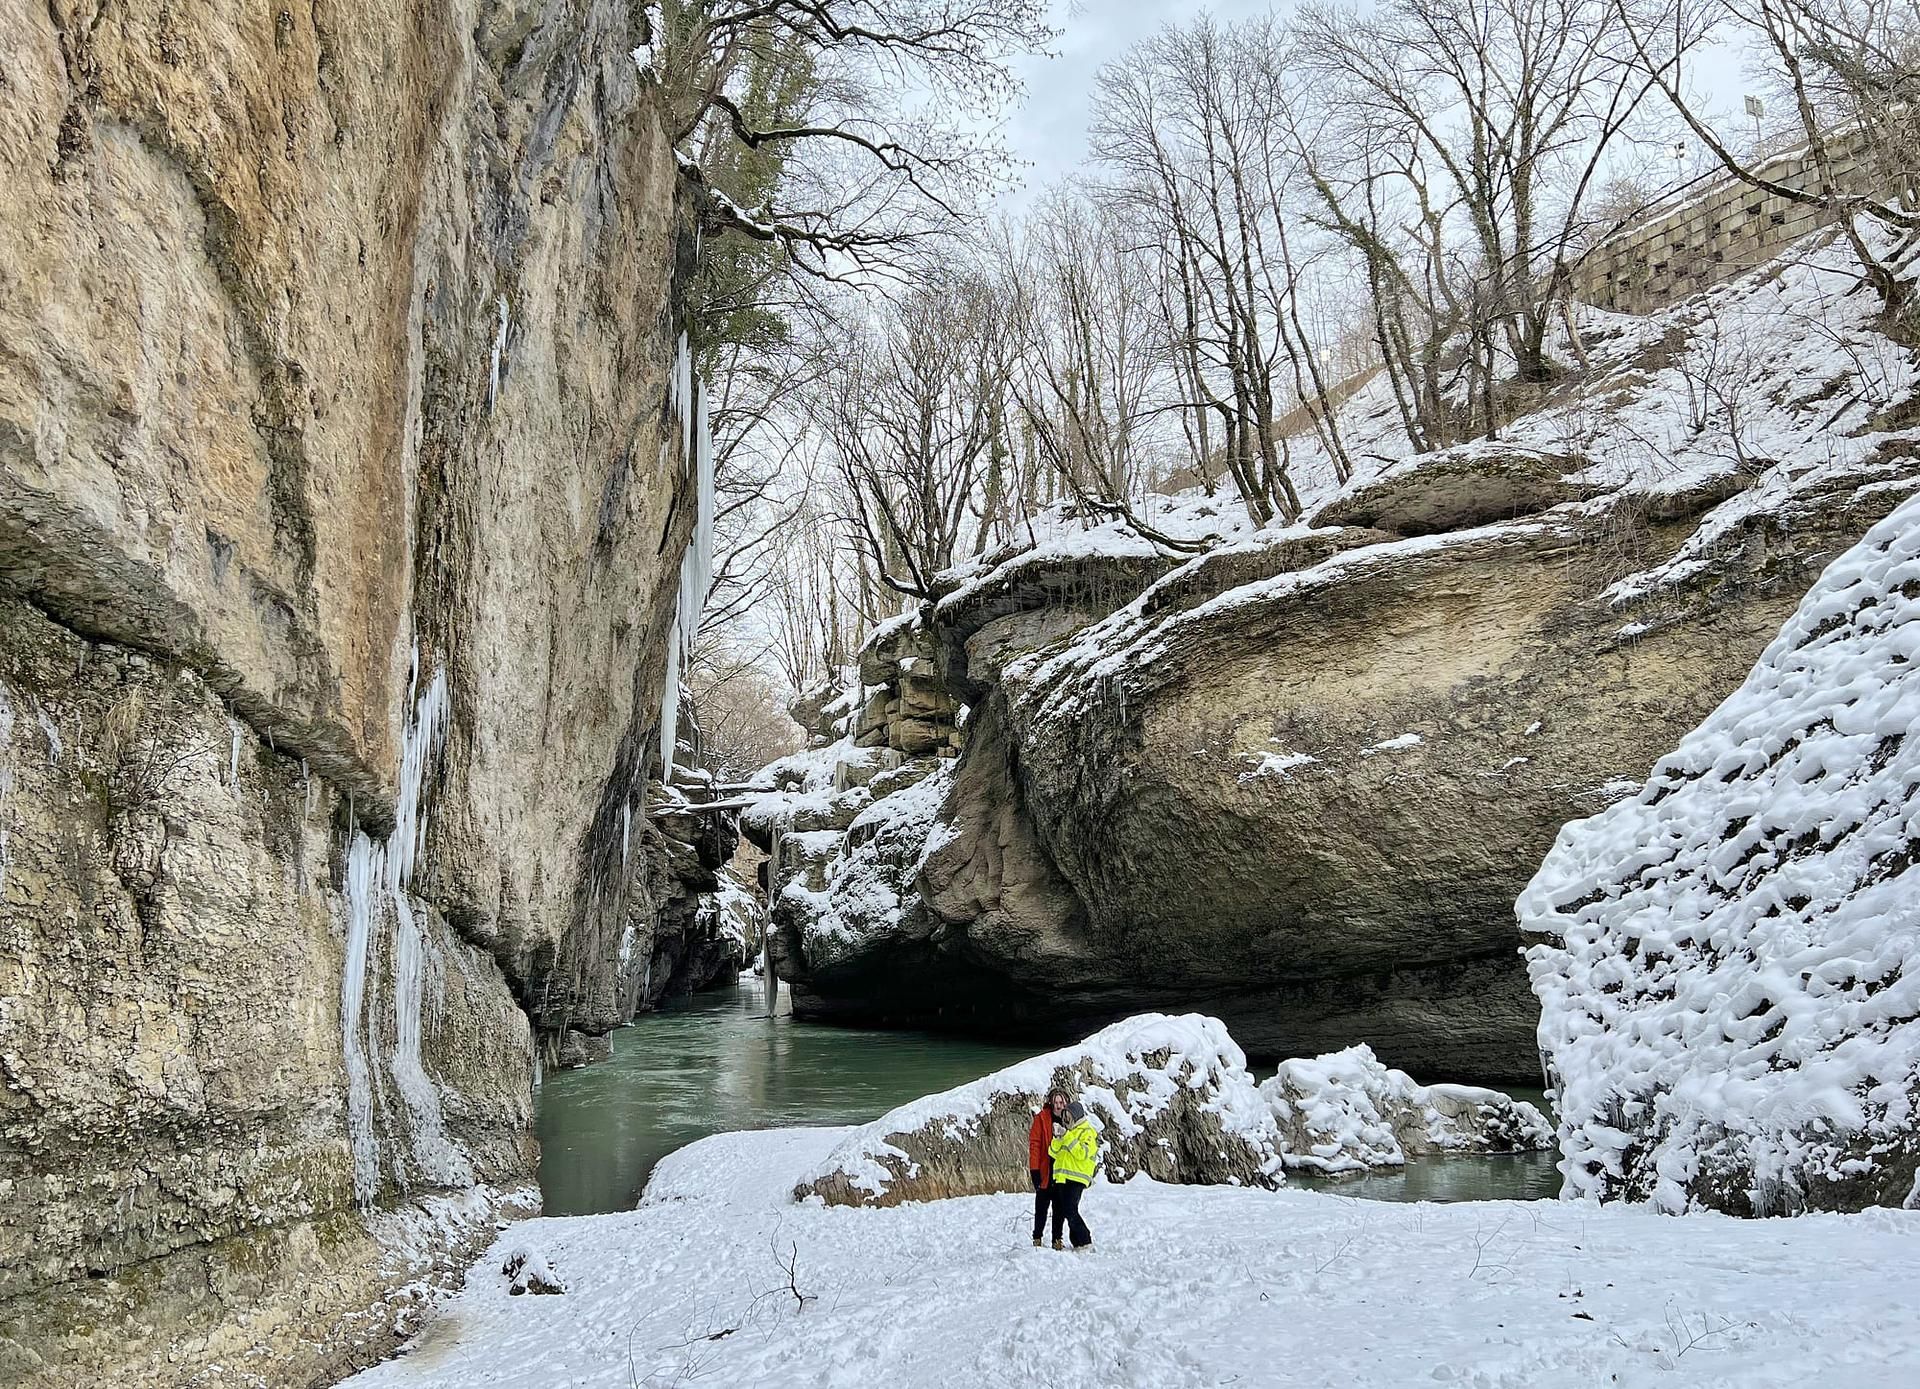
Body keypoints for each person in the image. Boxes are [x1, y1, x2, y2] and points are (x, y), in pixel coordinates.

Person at [1046, 1099, 1098, 1251]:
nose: (1065, 1120)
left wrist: (1066, 1136)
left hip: (1077, 1177)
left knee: (1070, 1209)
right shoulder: (1069, 1133)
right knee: (1063, 1210)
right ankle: (1077, 1242)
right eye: (1064, 1117)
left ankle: (1085, 1239)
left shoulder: (1086, 1132)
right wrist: (1057, 1137)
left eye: (1068, 1116)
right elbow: (1053, 1153)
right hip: (1062, 1177)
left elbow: (1082, 1153)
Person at [1028, 1089, 1068, 1247]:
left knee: (1059, 1208)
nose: (1058, 1106)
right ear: (1051, 1103)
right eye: (1056, 1102)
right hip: (1045, 1169)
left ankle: (1057, 1239)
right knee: (1041, 1207)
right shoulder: (1041, 1118)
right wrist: (1034, 1170)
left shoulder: (1069, 1119)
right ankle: (1037, 1237)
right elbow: (1035, 1144)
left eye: (1061, 1103)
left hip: (1062, 1171)